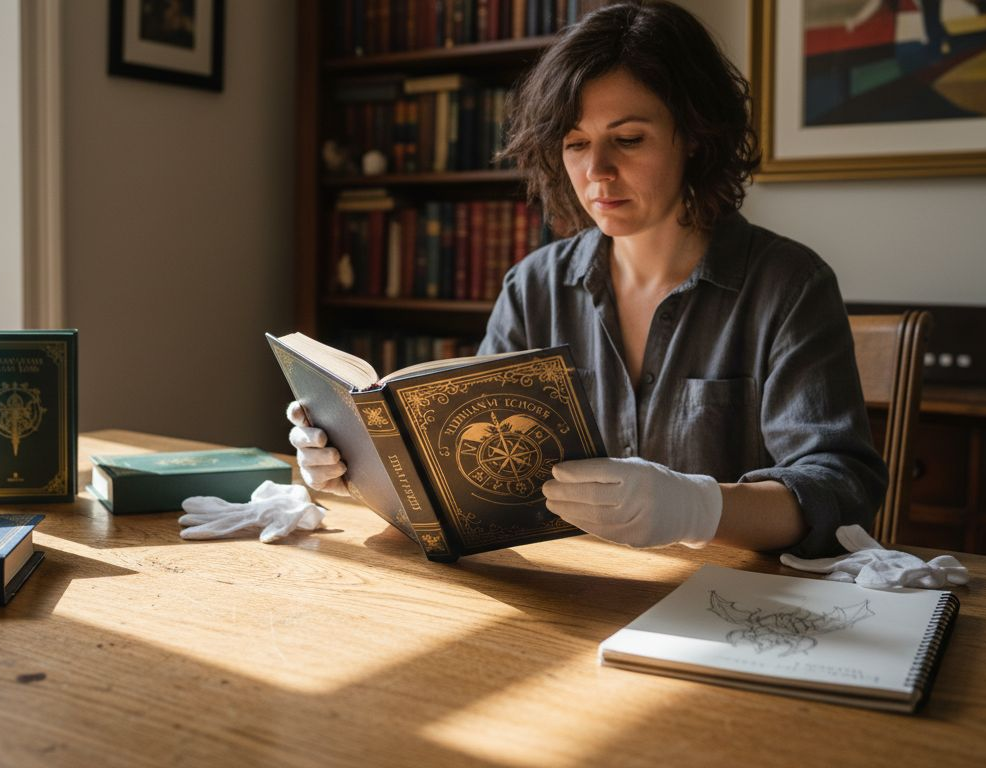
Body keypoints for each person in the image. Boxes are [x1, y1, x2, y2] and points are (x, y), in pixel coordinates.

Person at [289, 1, 886, 559]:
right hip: (574, 591)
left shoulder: (789, 286)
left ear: (695, 137)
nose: (597, 171)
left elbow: (842, 490)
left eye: (628, 139)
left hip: (727, 601)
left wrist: (697, 507)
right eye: (576, 144)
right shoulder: (533, 287)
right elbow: (474, 478)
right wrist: (363, 470)